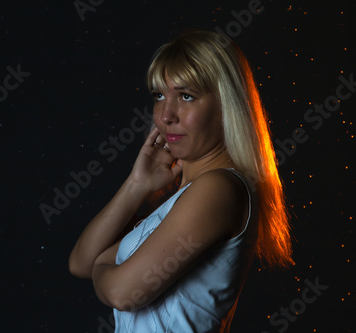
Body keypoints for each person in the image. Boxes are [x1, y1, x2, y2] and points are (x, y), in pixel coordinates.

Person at [68, 29, 294, 332]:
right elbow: (81, 262)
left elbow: (123, 294)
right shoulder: (190, 196)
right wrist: (138, 185)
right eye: (159, 95)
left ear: (227, 104)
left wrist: (103, 267)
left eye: (186, 96)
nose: (166, 115)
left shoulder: (219, 189)